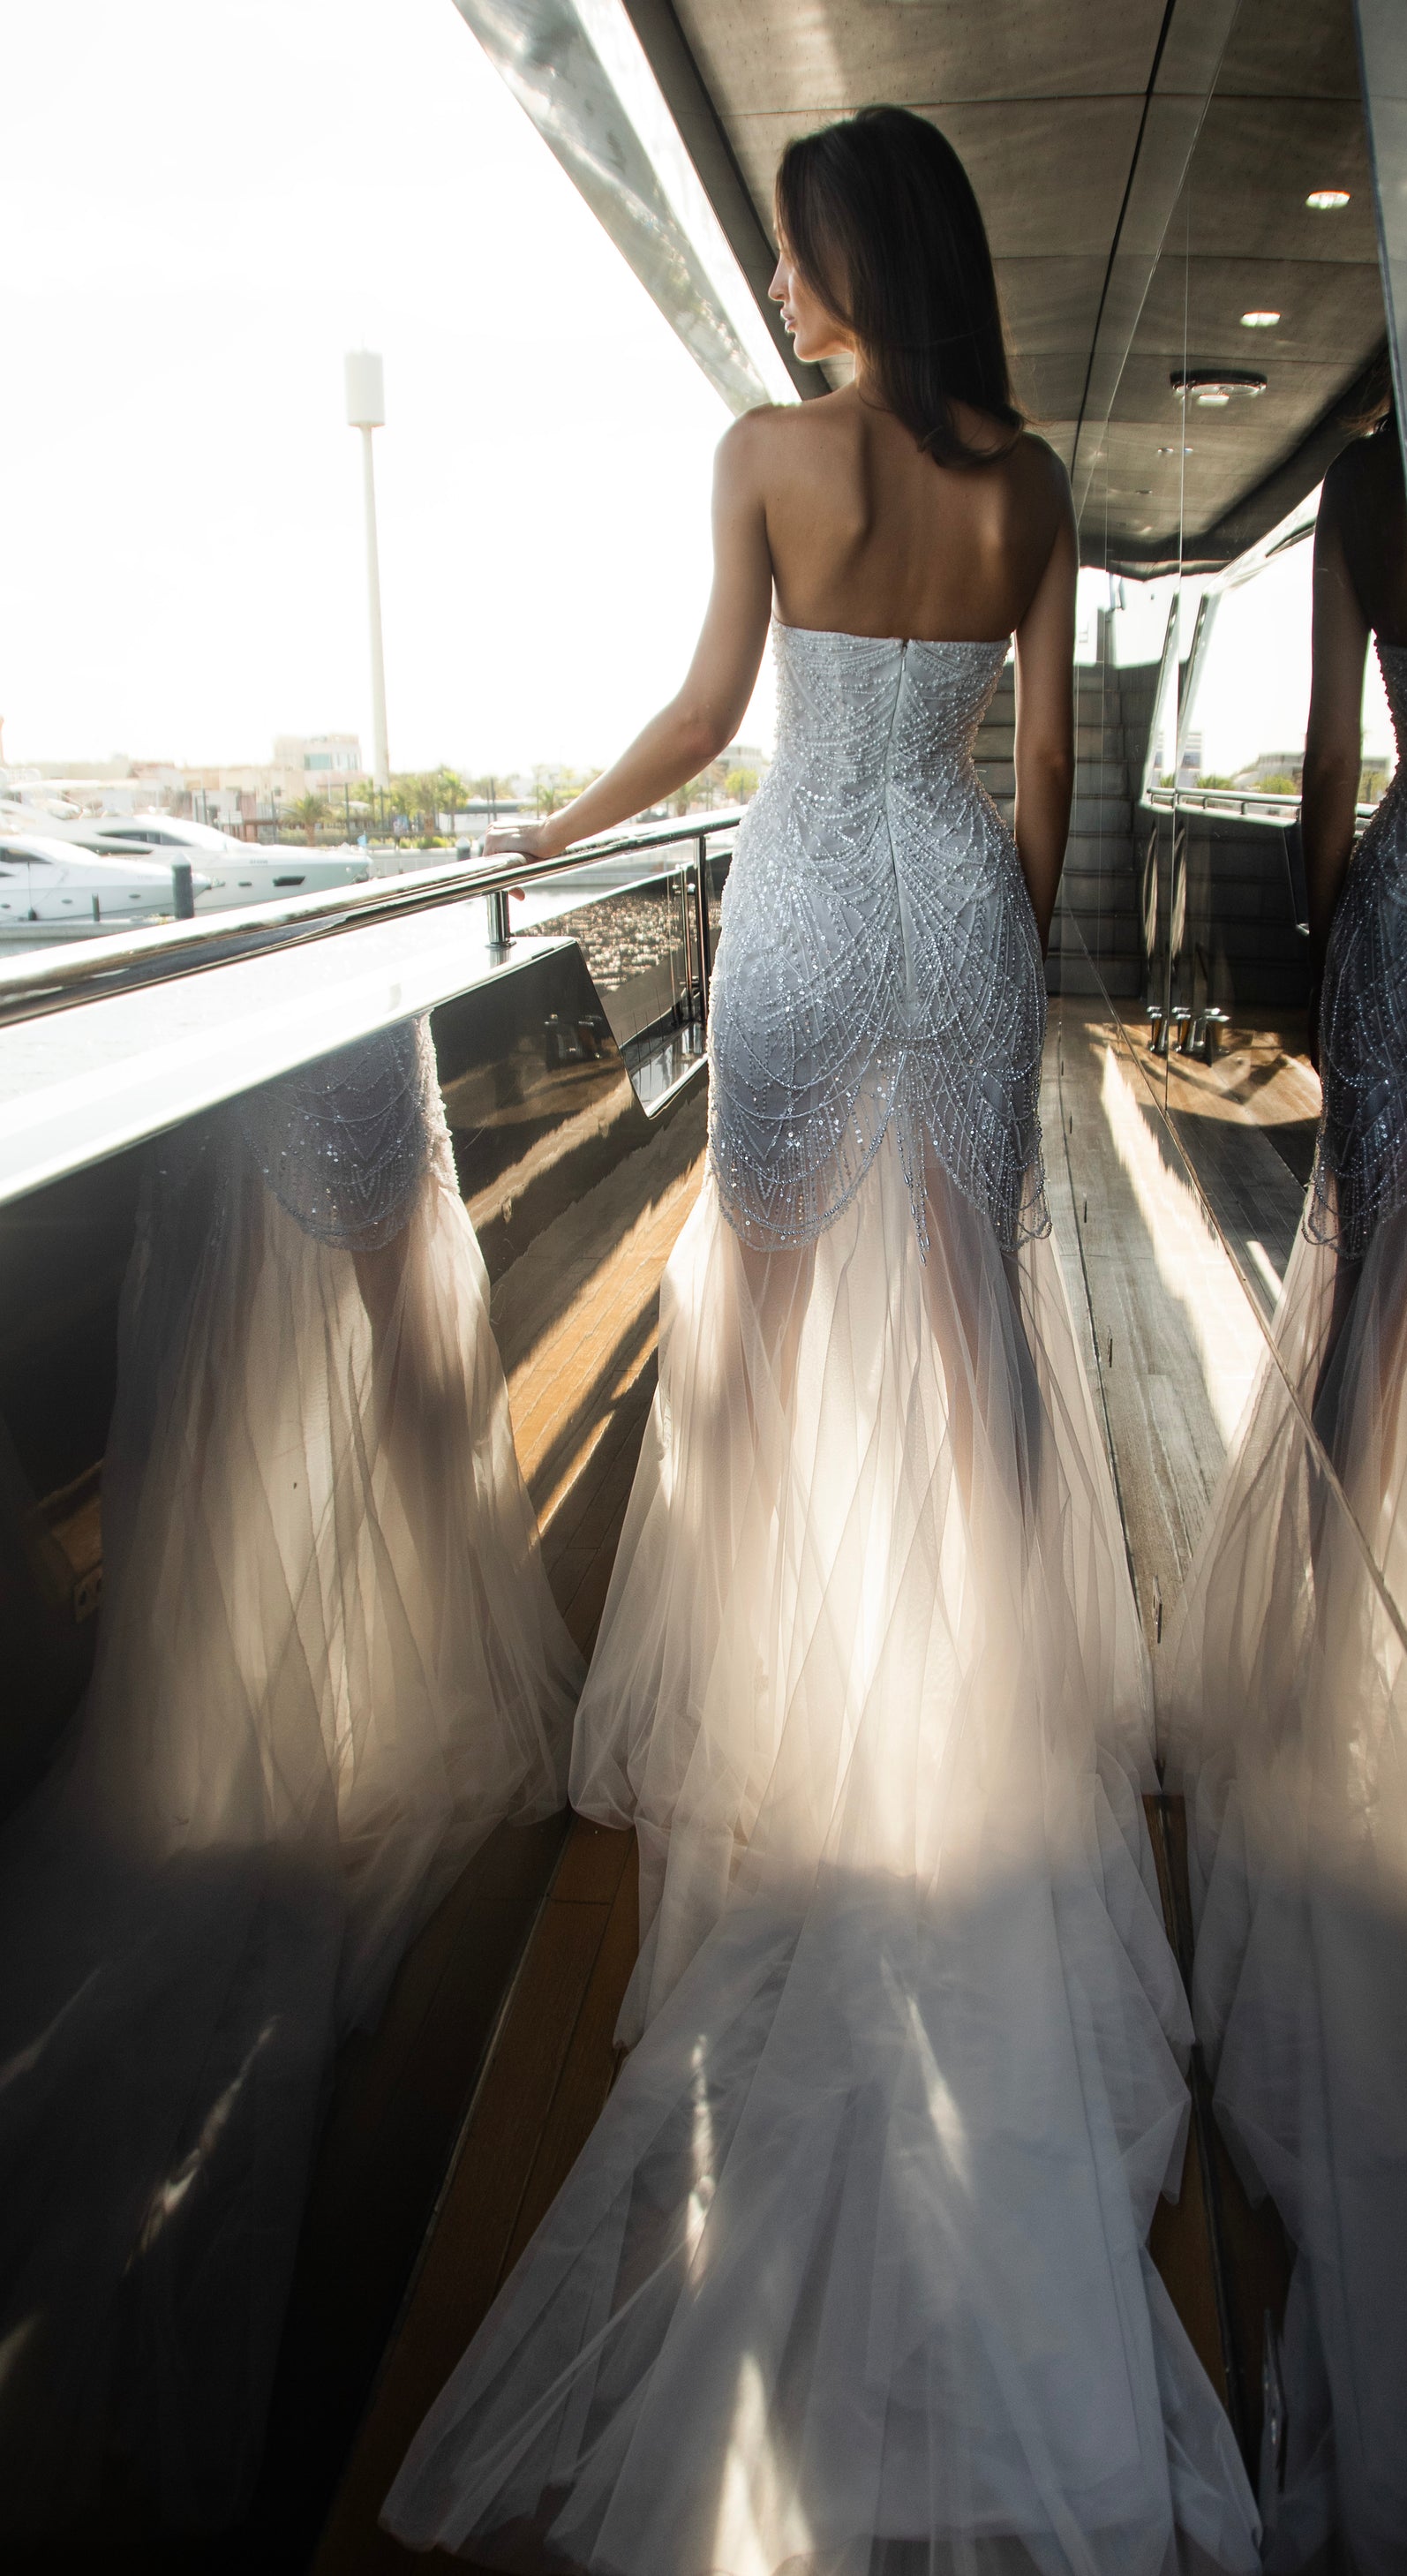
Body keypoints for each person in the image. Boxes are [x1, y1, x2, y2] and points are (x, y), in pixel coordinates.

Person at [382, 106, 1260, 2576]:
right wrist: (982, 933)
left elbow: (697, 718)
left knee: (771, 1347)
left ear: (855, 259)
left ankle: (799, 1736)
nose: (777, 294)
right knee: (962, 1359)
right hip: (957, 941)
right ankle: (971, 1732)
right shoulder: (1038, 477)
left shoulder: (767, 457)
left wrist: (542, 843)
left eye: (789, 254)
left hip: (790, 939)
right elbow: (1056, 774)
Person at [0, 1018, 579, 2535]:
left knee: (239, 1319)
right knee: (391, 1312)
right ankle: (406, 1644)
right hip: (338, 1037)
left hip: (244, 1040)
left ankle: (294, 1678)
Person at [1157, 410, 1407, 2568]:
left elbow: (1325, 761)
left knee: (1379, 1327)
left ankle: (1347, 1676)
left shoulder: (1383, 477)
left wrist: (1345, 932)